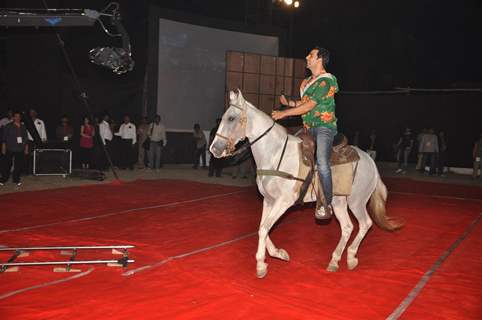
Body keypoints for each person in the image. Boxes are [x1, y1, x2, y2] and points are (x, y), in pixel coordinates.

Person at [272, 46, 338, 219]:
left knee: (322, 161)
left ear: (320, 59)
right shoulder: (306, 82)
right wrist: (289, 103)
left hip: (324, 127)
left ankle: (326, 203)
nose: (307, 57)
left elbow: (310, 105)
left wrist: (284, 113)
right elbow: (303, 103)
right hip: (308, 128)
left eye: (311, 55)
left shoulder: (327, 81)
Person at [0, 111, 29, 187]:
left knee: (18, 165)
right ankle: (4, 179)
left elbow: (26, 139)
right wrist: (3, 148)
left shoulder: (23, 126)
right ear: (13, 117)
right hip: (10, 148)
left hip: (20, 149)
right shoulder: (8, 126)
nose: (17, 118)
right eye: (16, 116)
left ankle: (16, 179)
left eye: (19, 116)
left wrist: (26, 148)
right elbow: (4, 138)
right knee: (7, 165)